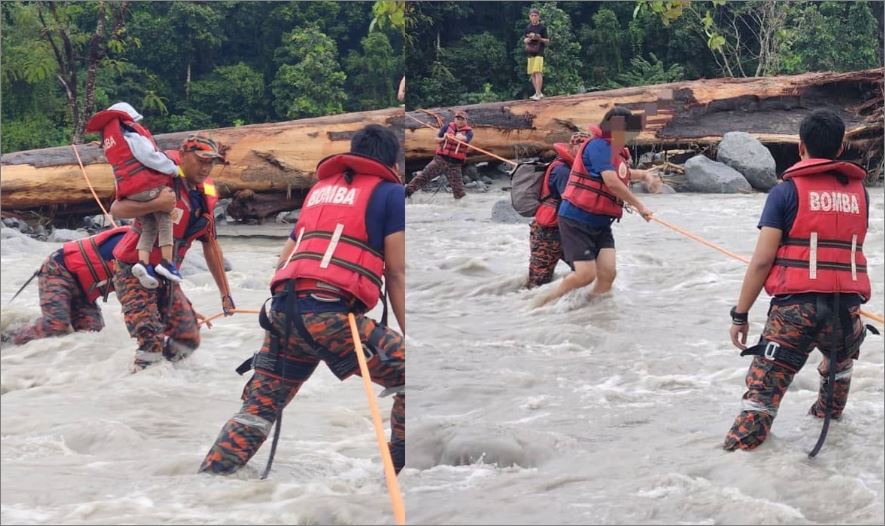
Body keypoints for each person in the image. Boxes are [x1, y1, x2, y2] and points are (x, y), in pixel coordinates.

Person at [199, 124, 406, 475]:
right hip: (329, 316)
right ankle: (401, 469)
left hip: (282, 311)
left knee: (258, 410)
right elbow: (397, 272)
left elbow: (284, 261)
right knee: (416, 374)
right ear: (393, 162)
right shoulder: (390, 194)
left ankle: (208, 482)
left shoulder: (320, 191)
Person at [724, 109, 872, 451]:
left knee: (762, 396)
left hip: (794, 314)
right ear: (839, 149)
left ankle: (741, 453)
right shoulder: (860, 195)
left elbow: (762, 261)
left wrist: (740, 314)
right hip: (845, 312)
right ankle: (829, 421)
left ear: (800, 147)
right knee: (841, 358)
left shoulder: (785, 192)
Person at [109, 134, 235, 372]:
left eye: (211, 163)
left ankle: (165, 384)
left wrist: (225, 294)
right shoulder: (159, 177)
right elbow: (117, 208)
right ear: (184, 156)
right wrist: (154, 205)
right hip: (134, 271)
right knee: (150, 340)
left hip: (166, 277)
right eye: (201, 160)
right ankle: (138, 385)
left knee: (189, 338)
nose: (206, 168)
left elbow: (211, 244)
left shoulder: (205, 194)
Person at [537, 107, 657, 307]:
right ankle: (541, 304)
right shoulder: (598, 146)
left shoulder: (613, 150)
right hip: (577, 219)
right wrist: (640, 206)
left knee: (608, 274)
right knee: (585, 275)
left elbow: (622, 173)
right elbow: (611, 182)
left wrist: (645, 175)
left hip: (600, 223)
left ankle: (589, 312)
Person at [85, 102, 183, 289]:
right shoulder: (134, 138)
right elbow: (151, 158)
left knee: (148, 226)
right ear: (128, 122)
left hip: (130, 193)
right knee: (164, 219)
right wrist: (174, 169)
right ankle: (167, 263)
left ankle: (143, 263)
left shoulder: (112, 145)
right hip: (148, 189)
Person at [2, 226, 130, 346]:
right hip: (58, 270)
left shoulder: (145, 253)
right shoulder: (129, 242)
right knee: (56, 324)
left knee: (92, 335)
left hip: (84, 292)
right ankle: (6, 338)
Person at [526, 132, 589, 288]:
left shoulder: (574, 168)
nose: (585, 153)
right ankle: (528, 309)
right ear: (572, 147)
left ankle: (581, 309)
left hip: (567, 232)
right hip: (548, 233)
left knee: (588, 274)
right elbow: (571, 202)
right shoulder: (562, 171)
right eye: (581, 148)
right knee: (537, 283)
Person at [405, 109, 473, 200]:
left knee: (459, 190)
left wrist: (460, 138)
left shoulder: (469, 132)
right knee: (423, 176)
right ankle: (406, 193)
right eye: (458, 119)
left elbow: (466, 139)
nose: (459, 121)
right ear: (454, 119)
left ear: (466, 121)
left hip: (455, 164)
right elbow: (437, 139)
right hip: (440, 160)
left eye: (462, 119)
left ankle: (461, 205)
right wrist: (444, 138)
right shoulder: (446, 127)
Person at [524, 7, 549, 101]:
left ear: (538, 17)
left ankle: (538, 93)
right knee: (532, 73)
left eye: (535, 15)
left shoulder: (542, 27)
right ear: (529, 17)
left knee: (538, 71)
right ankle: (538, 92)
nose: (534, 17)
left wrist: (538, 38)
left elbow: (547, 41)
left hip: (539, 51)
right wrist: (528, 39)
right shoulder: (528, 27)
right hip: (530, 51)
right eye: (532, 15)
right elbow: (525, 39)